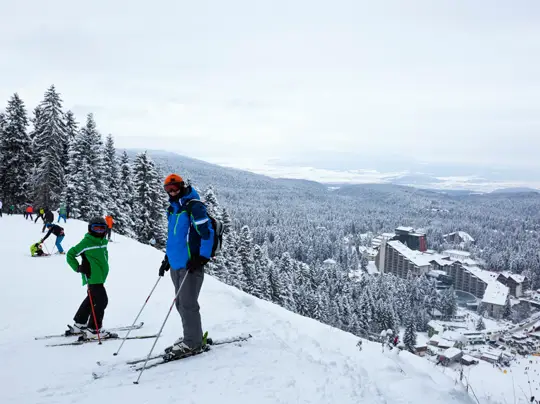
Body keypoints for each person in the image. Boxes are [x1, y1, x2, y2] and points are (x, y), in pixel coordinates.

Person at [160, 173, 214, 357]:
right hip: (176, 264)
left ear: (182, 186)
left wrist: (202, 257)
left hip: (191, 264)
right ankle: (191, 336)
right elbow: (174, 238)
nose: (172, 192)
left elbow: (207, 234)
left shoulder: (194, 207)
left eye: (175, 187)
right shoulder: (173, 209)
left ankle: (193, 343)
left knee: (188, 304)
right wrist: (166, 259)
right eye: (168, 189)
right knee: (181, 303)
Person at [66, 217, 114, 338]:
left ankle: (80, 324)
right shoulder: (86, 243)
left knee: (91, 299)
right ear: (90, 229)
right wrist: (78, 267)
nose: (98, 231)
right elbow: (70, 254)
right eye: (95, 228)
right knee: (102, 301)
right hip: (93, 277)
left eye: (101, 228)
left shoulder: (102, 242)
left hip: (100, 277)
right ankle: (94, 329)